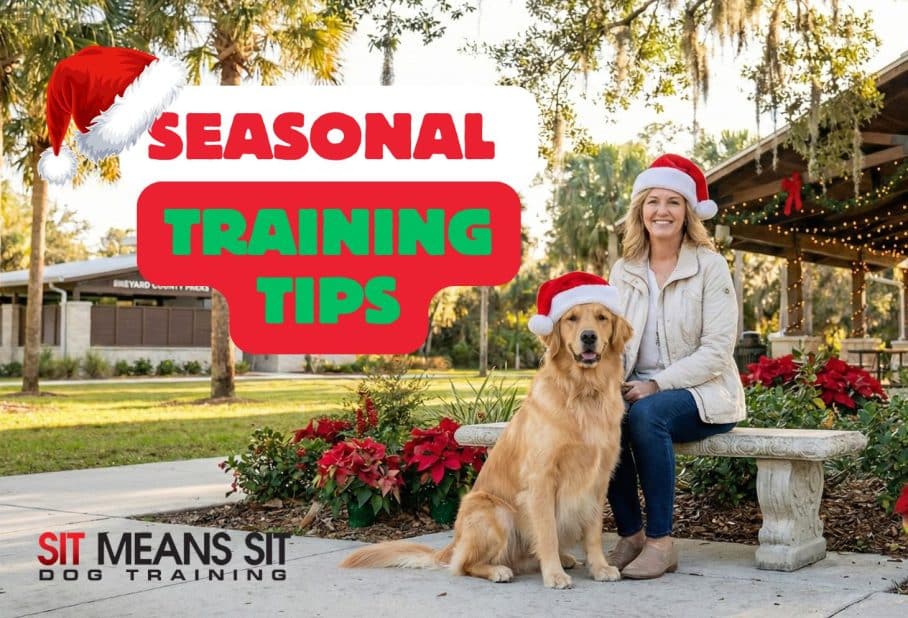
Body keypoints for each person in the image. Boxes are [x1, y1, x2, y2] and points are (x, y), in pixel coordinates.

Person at [605, 154, 746, 579]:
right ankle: (631, 535)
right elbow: (612, 340)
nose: (661, 211)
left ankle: (661, 543)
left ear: (688, 212)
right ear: (640, 210)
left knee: (647, 414)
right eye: (653, 201)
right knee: (603, 414)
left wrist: (657, 384)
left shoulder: (709, 266)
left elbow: (717, 350)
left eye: (673, 202)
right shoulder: (624, 270)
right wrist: (607, 384)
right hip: (636, 387)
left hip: (705, 393)